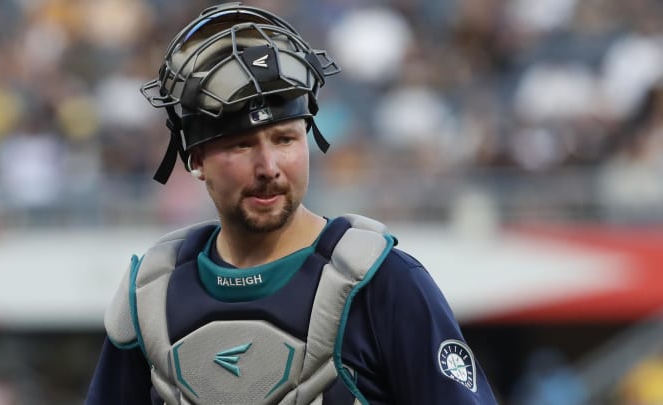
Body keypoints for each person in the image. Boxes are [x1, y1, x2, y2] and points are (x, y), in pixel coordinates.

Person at [85, 3, 498, 404]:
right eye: (241, 145)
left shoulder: (384, 283)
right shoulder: (152, 293)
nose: (268, 166)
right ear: (196, 159)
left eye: (285, 139)